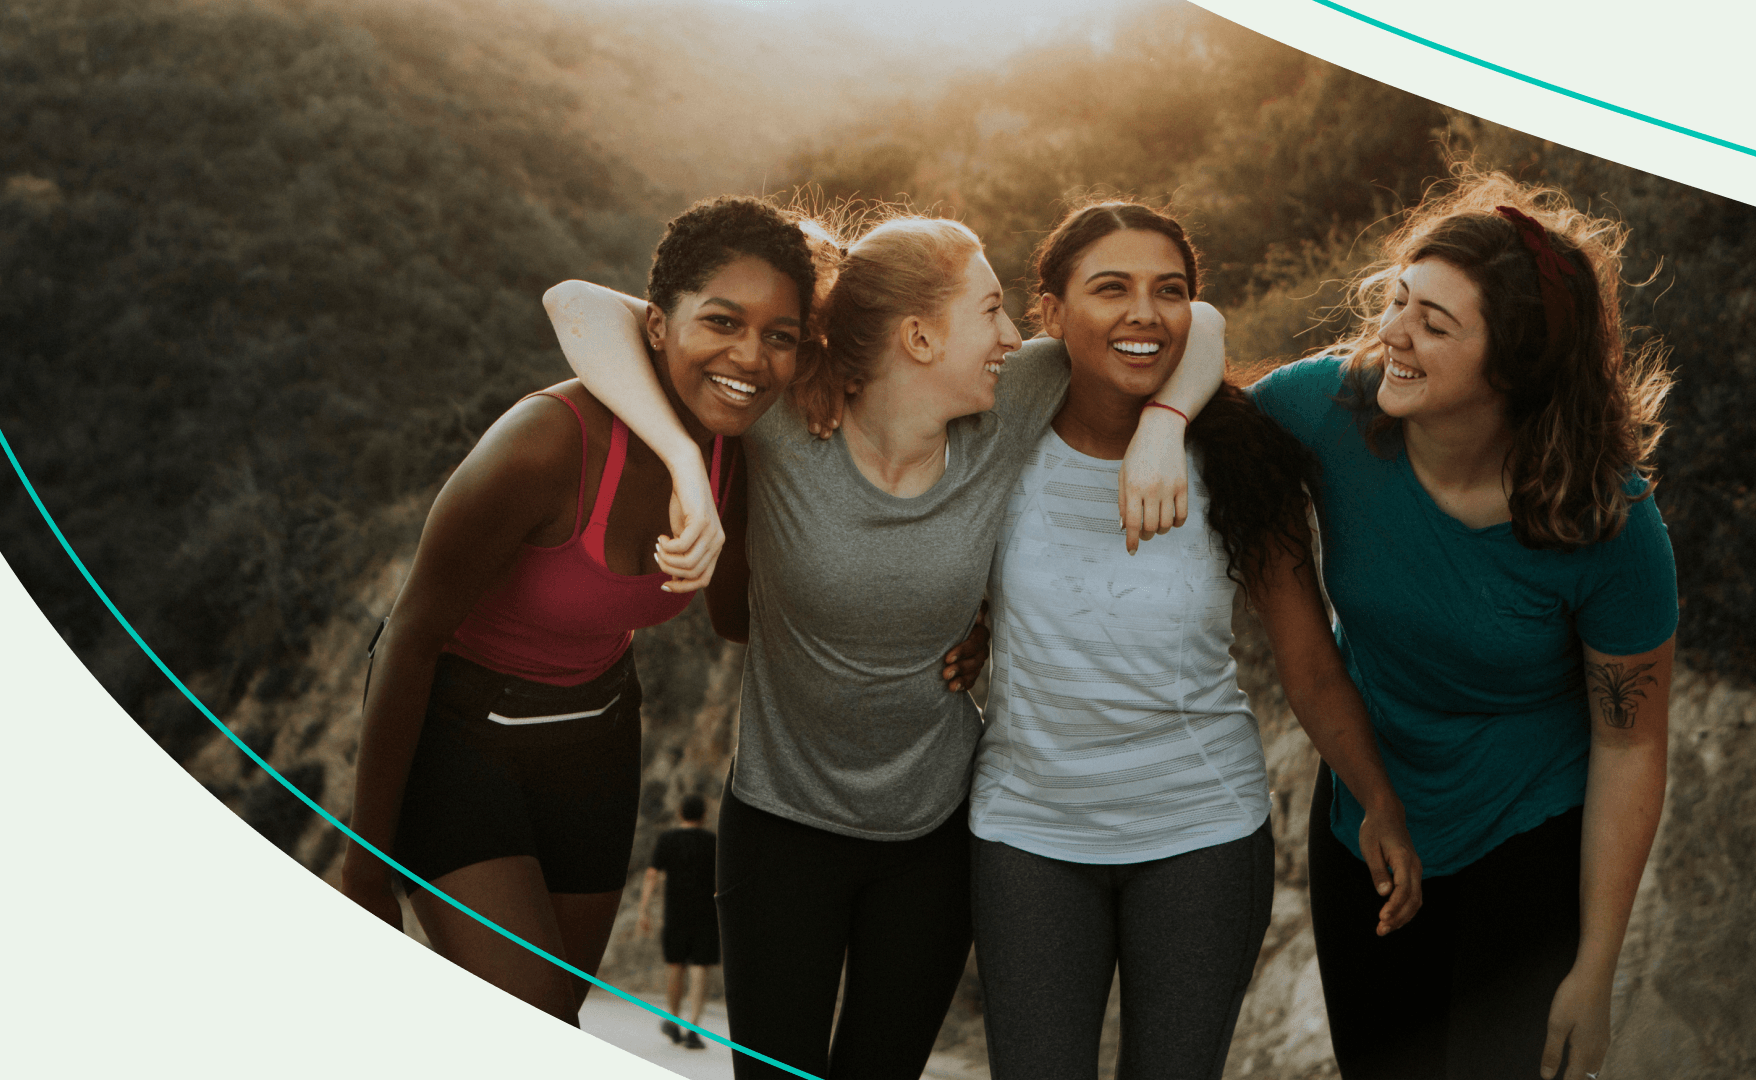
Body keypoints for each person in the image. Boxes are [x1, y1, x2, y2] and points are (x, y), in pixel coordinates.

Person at [543, 210, 1225, 1079]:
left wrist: (1163, 423)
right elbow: (577, 305)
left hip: (932, 838)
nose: (1012, 337)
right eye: (989, 312)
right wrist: (686, 460)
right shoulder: (786, 415)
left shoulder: (1008, 405)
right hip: (782, 826)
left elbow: (1196, 324)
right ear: (917, 335)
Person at [340, 195, 831, 1024]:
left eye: (779, 336)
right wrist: (364, 866)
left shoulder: (736, 453)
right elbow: (408, 639)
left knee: (558, 1019)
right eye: (721, 322)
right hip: (460, 739)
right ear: (655, 325)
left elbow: (735, 619)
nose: (750, 355)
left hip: (597, 742)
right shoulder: (544, 444)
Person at [966, 201, 1422, 1080]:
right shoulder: (998, 429)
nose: (1145, 313)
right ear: (1051, 314)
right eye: (1111, 289)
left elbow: (1309, 660)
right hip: (1026, 833)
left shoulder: (1240, 456)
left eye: (1168, 292)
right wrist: (964, 632)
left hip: (1201, 833)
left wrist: (1378, 799)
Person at [1245, 171, 1677, 1080]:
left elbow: (1631, 745)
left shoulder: (1608, 520)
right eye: (1398, 300)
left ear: (1513, 364)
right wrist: (1169, 426)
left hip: (1529, 836)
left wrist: (1596, 969)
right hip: (1367, 824)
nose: (1391, 334)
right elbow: (1189, 367)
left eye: (1434, 324)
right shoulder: (1327, 408)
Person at [637, 793, 721, 1050]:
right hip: (707, 914)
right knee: (700, 968)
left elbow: (652, 875)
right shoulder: (713, 842)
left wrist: (644, 909)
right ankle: (693, 1028)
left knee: (675, 965)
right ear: (704, 815)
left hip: (676, 913)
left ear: (680, 813)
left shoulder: (668, 839)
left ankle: (673, 1020)